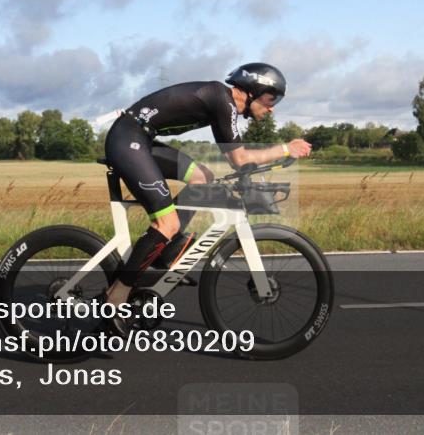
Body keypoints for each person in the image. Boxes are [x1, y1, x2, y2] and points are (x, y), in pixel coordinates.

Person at [99, 62, 312, 326]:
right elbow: (240, 158)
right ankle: (116, 297)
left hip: (140, 137)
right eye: (271, 99)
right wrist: (285, 149)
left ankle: (166, 252)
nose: (272, 108)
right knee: (167, 223)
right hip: (127, 139)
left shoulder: (222, 102)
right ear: (253, 91)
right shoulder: (221, 100)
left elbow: (237, 157)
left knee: (204, 178)